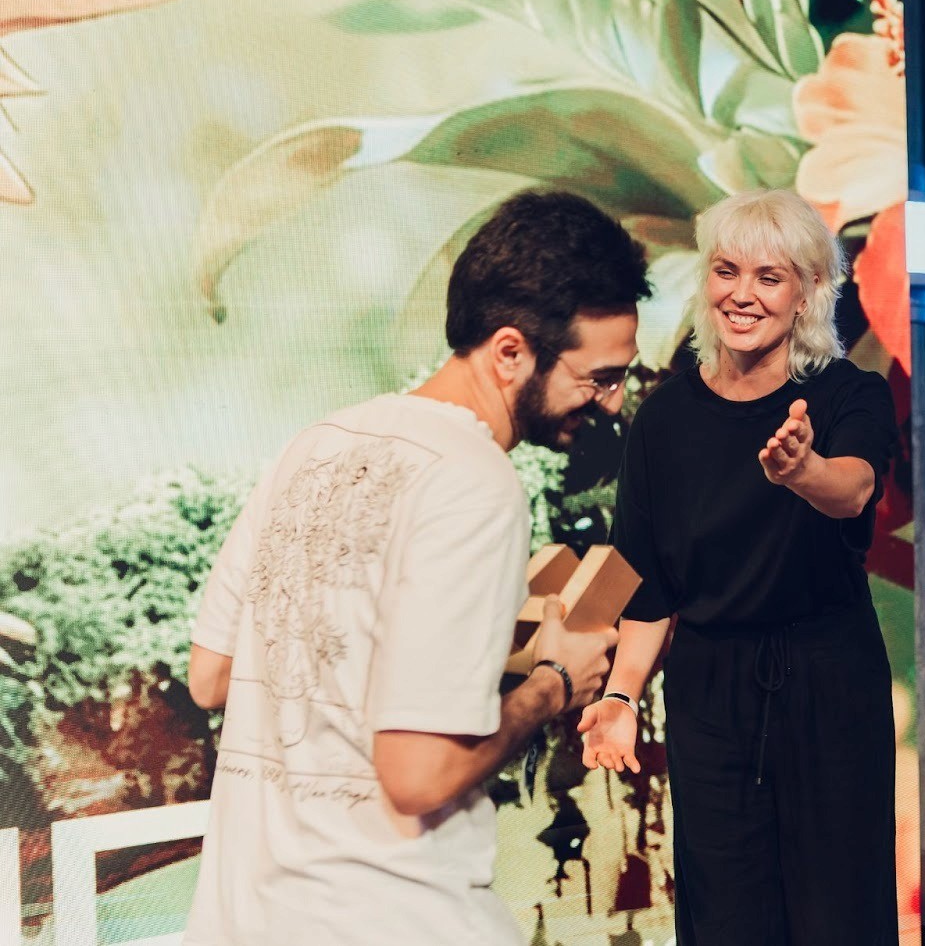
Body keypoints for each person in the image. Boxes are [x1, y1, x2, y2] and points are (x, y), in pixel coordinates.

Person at [182, 190, 650, 945]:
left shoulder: (317, 445)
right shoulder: (476, 483)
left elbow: (212, 676)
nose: (612, 402)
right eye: (598, 377)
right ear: (509, 352)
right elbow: (417, 777)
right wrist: (553, 685)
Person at [577, 188, 899, 945]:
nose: (742, 294)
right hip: (710, 695)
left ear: (808, 291)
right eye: (727, 270)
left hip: (827, 684)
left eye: (769, 276)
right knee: (726, 913)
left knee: (837, 913)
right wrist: (621, 694)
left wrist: (802, 471)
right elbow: (647, 584)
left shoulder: (850, 395)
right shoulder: (663, 418)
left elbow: (853, 490)